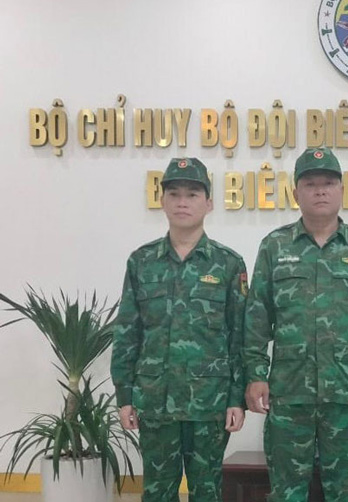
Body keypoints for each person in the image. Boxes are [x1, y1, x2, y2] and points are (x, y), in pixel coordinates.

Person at [243, 147, 348, 502]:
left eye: (328, 183)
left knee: (346, 492)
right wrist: (254, 374)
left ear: (342, 190)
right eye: (310, 184)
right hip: (288, 392)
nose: (320, 191)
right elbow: (257, 318)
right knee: (286, 492)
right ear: (296, 193)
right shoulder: (275, 247)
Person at [110, 157, 247, 502]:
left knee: (208, 493)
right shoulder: (141, 262)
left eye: (192, 193)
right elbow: (128, 330)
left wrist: (236, 398)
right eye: (174, 193)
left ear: (209, 203)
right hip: (156, 402)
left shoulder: (229, 264)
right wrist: (125, 395)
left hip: (210, 405)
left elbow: (240, 336)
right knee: (157, 492)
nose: (183, 201)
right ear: (162, 201)